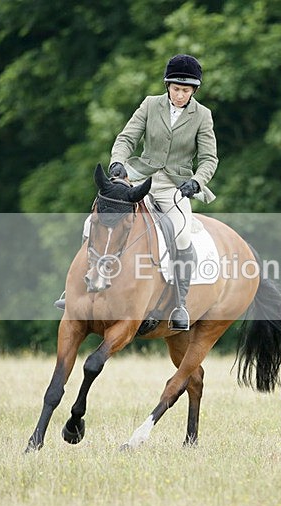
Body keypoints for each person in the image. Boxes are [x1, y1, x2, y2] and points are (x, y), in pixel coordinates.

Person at [56, 54, 218, 331]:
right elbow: (126, 138)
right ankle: (73, 290)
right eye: (176, 88)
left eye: (186, 90)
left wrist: (197, 181)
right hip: (137, 177)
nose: (180, 95)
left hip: (173, 186)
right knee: (93, 220)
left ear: (194, 91)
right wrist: (118, 162)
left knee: (181, 234)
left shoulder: (202, 115)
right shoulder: (149, 104)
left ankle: (180, 303)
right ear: (168, 86)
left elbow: (209, 159)